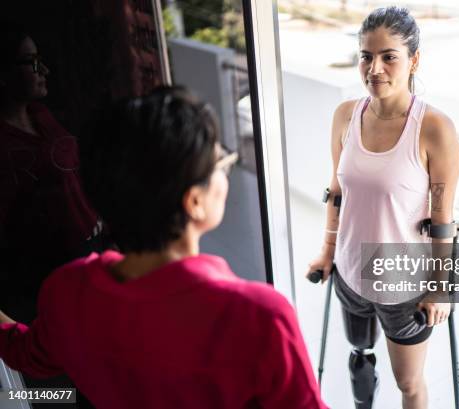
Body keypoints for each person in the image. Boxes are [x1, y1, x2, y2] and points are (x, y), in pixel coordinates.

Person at [0, 87, 328, 409]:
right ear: (195, 201)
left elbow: (26, 353)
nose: (225, 171)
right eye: (220, 163)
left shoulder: (67, 292)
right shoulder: (257, 317)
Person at [306, 7, 459, 409]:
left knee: (409, 385)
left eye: (389, 56)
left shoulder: (433, 128)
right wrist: (326, 252)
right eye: (366, 56)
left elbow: (442, 219)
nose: (374, 68)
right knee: (360, 354)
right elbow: (337, 190)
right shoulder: (345, 115)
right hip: (349, 274)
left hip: (402, 288)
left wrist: (439, 287)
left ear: (414, 60)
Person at [0, 22, 103, 323]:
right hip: (57, 273)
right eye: (31, 62)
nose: (43, 70)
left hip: (95, 248)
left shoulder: (41, 115)